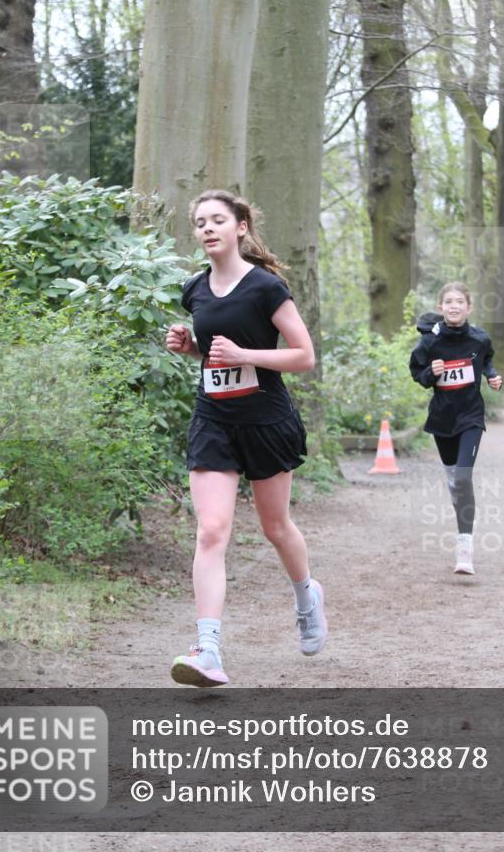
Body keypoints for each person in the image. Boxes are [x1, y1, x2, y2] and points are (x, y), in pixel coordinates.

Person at [165, 189, 327, 687]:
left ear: (240, 227)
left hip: (266, 422)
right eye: (200, 222)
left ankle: (306, 596)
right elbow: (216, 357)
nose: (207, 228)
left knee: (276, 527)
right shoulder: (194, 289)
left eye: (217, 220)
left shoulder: (265, 287)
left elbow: (304, 356)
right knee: (211, 531)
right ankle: (207, 649)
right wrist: (191, 347)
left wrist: (247, 354)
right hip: (213, 419)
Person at [409, 283, 502, 576]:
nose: (453, 306)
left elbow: (486, 359)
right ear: (440, 308)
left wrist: (492, 376)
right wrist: (431, 373)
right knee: (454, 478)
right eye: (448, 301)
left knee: (463, 476)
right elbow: (417, 374)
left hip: (471, 417)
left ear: (468, 307)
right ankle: (459, 494)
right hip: (442, 419)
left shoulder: (480, 338)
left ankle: (465, 548)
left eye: (459, 301)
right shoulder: (429, 343)